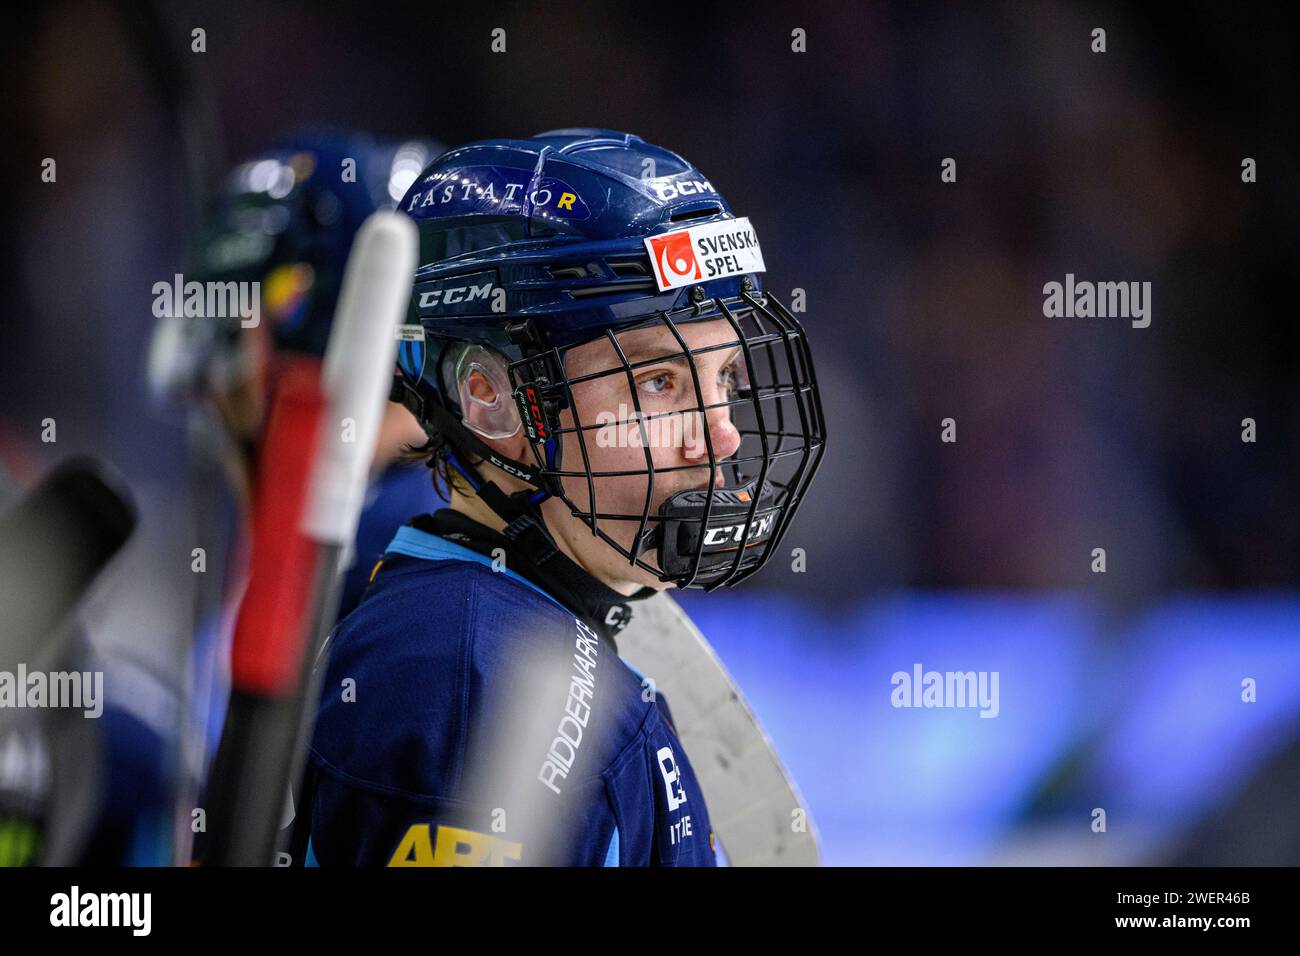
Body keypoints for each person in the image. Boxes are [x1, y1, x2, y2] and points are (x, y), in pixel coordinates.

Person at [293, 129, 826, 866]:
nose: (721, 437)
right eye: (660, 382)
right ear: (491, 400)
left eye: (725, 379)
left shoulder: (515, 627)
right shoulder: (465, 684)